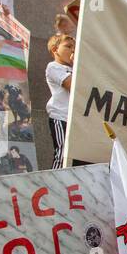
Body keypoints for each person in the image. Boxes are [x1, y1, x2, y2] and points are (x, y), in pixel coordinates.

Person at [45, 32, 75, 165]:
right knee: (63, 154)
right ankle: (55, 185)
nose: (72, 50)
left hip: (75, 120)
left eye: (74, 47)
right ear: (55, 49)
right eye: (68, 46)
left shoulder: (74, 68)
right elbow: (72, 85)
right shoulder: (53, 67)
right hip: (61, 117)